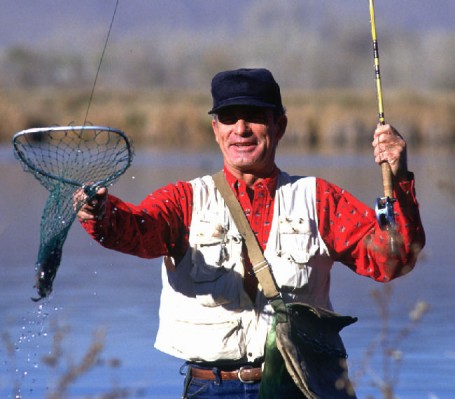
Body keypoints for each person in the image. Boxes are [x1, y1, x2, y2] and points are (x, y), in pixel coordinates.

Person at [76, 68, 425, 398]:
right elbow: (135, 231)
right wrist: (100, 213)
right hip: (208, 388)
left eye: (254, 116)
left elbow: (391, 261)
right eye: (229, 118)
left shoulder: (320, 199)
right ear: (215, 129)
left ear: (280, 125)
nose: (240, 129)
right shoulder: (183, 199)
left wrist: (400, 177)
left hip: (300, 386)